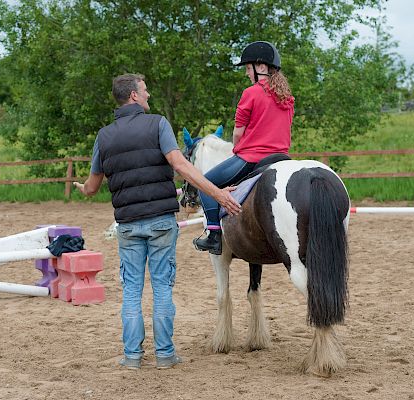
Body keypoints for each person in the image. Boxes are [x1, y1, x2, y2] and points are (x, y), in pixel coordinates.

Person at [73, 73, 241, 370]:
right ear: (134, 96)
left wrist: (82, 189)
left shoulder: (104, 136)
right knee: (162, 287)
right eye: (145, 90)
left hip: (127, 224)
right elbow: (181, 166)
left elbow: (92, 186)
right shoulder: (159, 124)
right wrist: (217, 193)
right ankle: (165, 355)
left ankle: (132, 357)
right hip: (161, 222)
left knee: (132, 290)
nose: (149, 94)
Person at [193, 41, 295, 255]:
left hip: (253, 157)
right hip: (282, 156)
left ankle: (213, 235)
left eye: (248, 69)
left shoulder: (251, 93)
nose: (247, 74)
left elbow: (238, 133)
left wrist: (237, 150)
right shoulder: (287, 97)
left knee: (206, 183)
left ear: (261, 67)